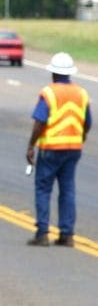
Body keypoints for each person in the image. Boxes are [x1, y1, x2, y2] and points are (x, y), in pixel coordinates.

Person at [26, 51, 91, 247]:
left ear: (53, 73)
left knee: (43, 189)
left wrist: (31, 145)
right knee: (68, 190)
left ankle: (42, 233)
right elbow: (88, 122)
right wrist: (81, 137)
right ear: (70, 73)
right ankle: (67, 234)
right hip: (73, 149)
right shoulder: (81, 93)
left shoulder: (49, 93)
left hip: (51, 148)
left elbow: (40, 121)